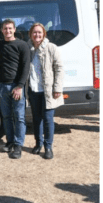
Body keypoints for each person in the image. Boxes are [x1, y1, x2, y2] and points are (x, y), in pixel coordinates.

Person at [27, 23, 64, 159]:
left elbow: (59, 68)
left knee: (48, 119)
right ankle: (38, 144)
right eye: (34, 32)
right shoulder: (28, 49)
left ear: (44, 34)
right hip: (33, 90)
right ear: (30, 34)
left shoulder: (51, 48)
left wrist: (57, 88)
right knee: (36, 119)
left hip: (48, 91)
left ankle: (48, 147)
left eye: (39, 32)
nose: (37, 35)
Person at [0, 19, 30, 159]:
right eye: (5, 28)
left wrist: (20, 86)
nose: (8, 31)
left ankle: (18, 145)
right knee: (6, 117)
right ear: (2, 30)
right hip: (2, 86)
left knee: (19, 117)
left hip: (16, 86)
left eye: (10, 28)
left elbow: (25, 67)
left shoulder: (22, 45)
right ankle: (10, 141)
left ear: (14, 29)